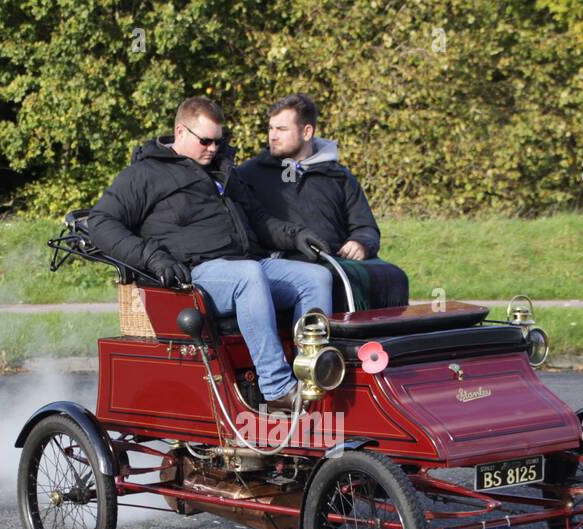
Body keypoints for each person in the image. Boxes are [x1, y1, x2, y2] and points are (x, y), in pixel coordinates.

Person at [85, 96, 330, 410]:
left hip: (247, 265)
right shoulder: (144, 174)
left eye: (219, 141)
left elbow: (258, 219)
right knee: (248, 276)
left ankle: (312, 376)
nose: (213, 149)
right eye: (206, 141)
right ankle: (277, 387)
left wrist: (296, 236)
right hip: (194, 276)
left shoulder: (223, 171)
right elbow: (101, 222)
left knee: (316, 277)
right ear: (180, 132)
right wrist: (152, 258)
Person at [235, 93, 381, 263]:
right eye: (270, 128)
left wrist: (361, 243)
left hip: (337, 261)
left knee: (394, 277)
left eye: (281, 129)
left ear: (306, 132)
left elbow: (366, 227)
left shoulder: (339, 176)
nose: (273, 136)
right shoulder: (249, 174)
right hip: (283, 265)